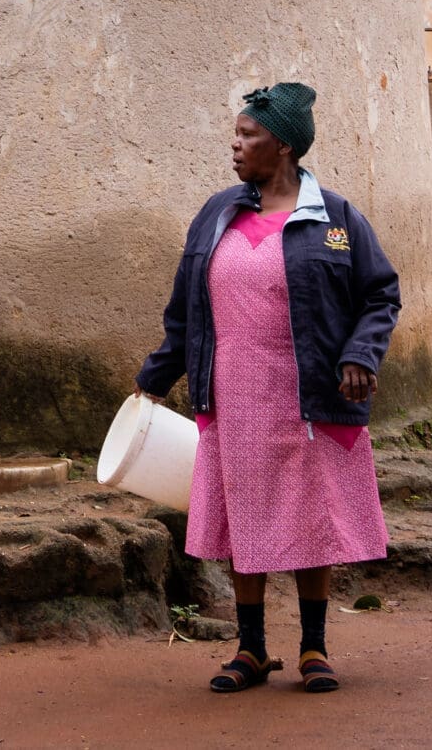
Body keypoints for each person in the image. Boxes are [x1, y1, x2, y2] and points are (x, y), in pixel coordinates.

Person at [136, 81, 400, 695]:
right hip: (232, 396)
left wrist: (361, 355)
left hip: (308, 394)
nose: (236, 144)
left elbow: (379, 294)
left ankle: (313, 647)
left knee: (311, 515)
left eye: (248, 134)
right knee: (240, 517)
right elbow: (187, 311)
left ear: (282, 146)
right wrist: (155, 377)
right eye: (237, 132)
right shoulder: (216, 215)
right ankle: (251, 649)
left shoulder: (335, 219)